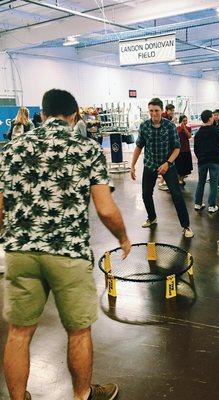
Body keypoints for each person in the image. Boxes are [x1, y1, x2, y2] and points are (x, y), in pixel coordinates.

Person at [0, 89, 131, 400]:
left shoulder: (11, 148)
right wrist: (123, 238)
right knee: (79, 331)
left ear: (42, 114)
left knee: (18, 333)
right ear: (74, 116)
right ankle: (82, 394)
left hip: (20, 251)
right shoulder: (86, 149)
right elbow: (105, 208)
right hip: (68, 253)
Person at [130, 97, 194, 238]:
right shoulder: (144, 126)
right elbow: (139, 146)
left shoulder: (170, 126)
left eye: (156, 111)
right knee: (146, 194)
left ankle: (186, 226)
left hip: (168, 166)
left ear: (162, 110)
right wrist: (132, 165)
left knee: (177, 195)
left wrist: (168, 163)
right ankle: (152, 218)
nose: (154, 114)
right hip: (150, 165)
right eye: (151, 111)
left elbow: (177, 148)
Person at [175, 115, 193, 186]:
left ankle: (181, 179)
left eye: (186, 120)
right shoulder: (177, 128)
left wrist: (184, 128)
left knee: (185, 167)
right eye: (183, 121)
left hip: (186, 150)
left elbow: (189, 136)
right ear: (180, 121)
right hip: (178, 150)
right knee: (178, 166)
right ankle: (178, 179)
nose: (185, 122)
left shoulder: (188, 128)